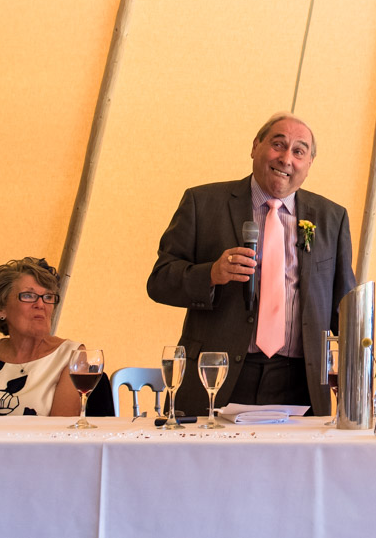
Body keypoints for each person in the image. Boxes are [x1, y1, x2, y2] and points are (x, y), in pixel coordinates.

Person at [148, 112, 355, 416]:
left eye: (299, 151)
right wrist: (211, 274)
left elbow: (344, 307)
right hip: (216, 376)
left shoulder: (331, 217)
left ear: (309, 164)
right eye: (278, 144)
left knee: (296, 466)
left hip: (302, 381)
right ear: (256, 146)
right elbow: (160, 281)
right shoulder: (202, 202)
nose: (286, 158)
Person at [0, 257, 82, 417]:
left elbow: (59, 435)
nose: (41, 304)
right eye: (29, 296)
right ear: (0, 308)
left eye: (48, 297)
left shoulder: (71, 356)